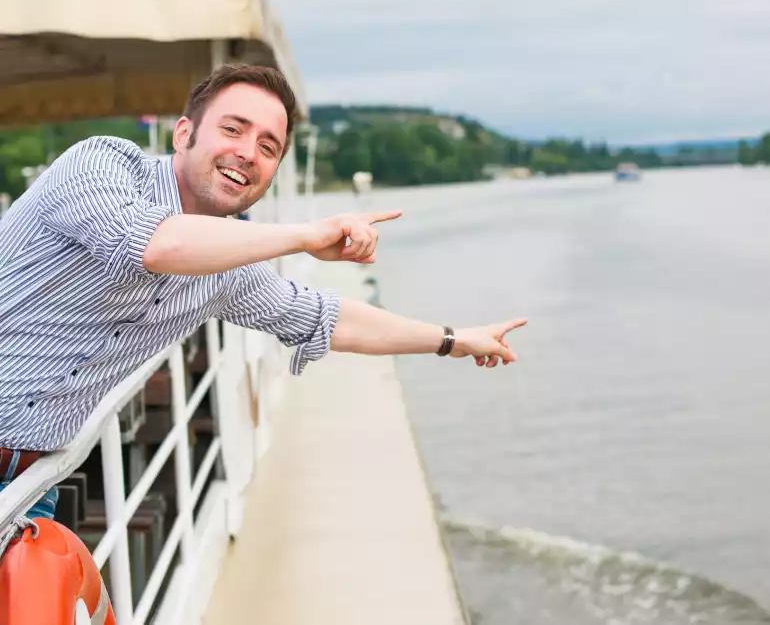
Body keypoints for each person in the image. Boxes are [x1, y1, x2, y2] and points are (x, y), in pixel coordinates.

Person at [0, 63, 526, 519]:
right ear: (184, 134)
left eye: (268, 146)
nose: (248, 153)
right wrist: (305, 236)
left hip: (29, 482)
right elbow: (156, 244)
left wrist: (455, 339)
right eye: (233, 129)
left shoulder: (226, 269)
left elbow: (327, 318)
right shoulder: (102, 165)